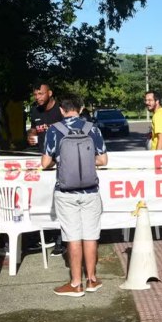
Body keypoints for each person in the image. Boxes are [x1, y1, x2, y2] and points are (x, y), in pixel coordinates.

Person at [41, 95, 108, 297]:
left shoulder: (54, 130)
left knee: (73, 238)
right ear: (81, 109)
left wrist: (59, 162)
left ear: (62, 110)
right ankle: (92, 280)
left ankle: (76, 283)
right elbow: (103, 160)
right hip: (90, 191)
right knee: (90, 235)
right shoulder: (92, 129)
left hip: (66, 193)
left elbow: (45, 163)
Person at [26, 81, 65, 256]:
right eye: (35, 94)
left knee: (60, 200)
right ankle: (45, 235)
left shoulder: (60, 110)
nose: (38, 97)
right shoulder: (34, 111)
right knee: (43, 199)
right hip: (43, 161)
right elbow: (33, 130)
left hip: (61, 162)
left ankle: (61, 237)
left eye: (40, 94)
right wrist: (31, 136)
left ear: (49, 93)